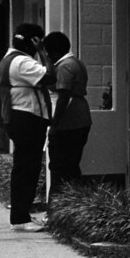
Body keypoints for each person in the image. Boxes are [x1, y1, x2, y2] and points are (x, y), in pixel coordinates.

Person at [0, 23, 55, 232]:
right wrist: (43, 53)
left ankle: (21, 214)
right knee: (27, 169)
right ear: (33, 41)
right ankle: (21, 218)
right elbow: (50, 76)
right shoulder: (22, 62)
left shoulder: (9, 59)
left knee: (24, 168)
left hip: (18, 117)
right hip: (27, 117)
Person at [44, 31, 92, 197]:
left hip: (68, 121)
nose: (48, 55)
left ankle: (57, 207)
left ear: (54, 51)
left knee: (59, 167)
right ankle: (73, 203)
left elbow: (63, 96)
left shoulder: (64, 67)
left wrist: (54, 125)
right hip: (81, 118)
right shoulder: (76, 63)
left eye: (48, 51)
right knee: (71, 166)